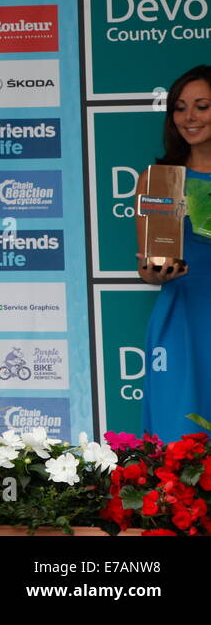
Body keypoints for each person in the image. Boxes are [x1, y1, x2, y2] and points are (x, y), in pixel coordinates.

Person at [136, 65, 211, 441]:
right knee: (178, 433)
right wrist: (154, 273)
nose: (189, 118)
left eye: (202, 106)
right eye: (180, 108)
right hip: (181, 312)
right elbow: (148, 263)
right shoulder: (159, 179)